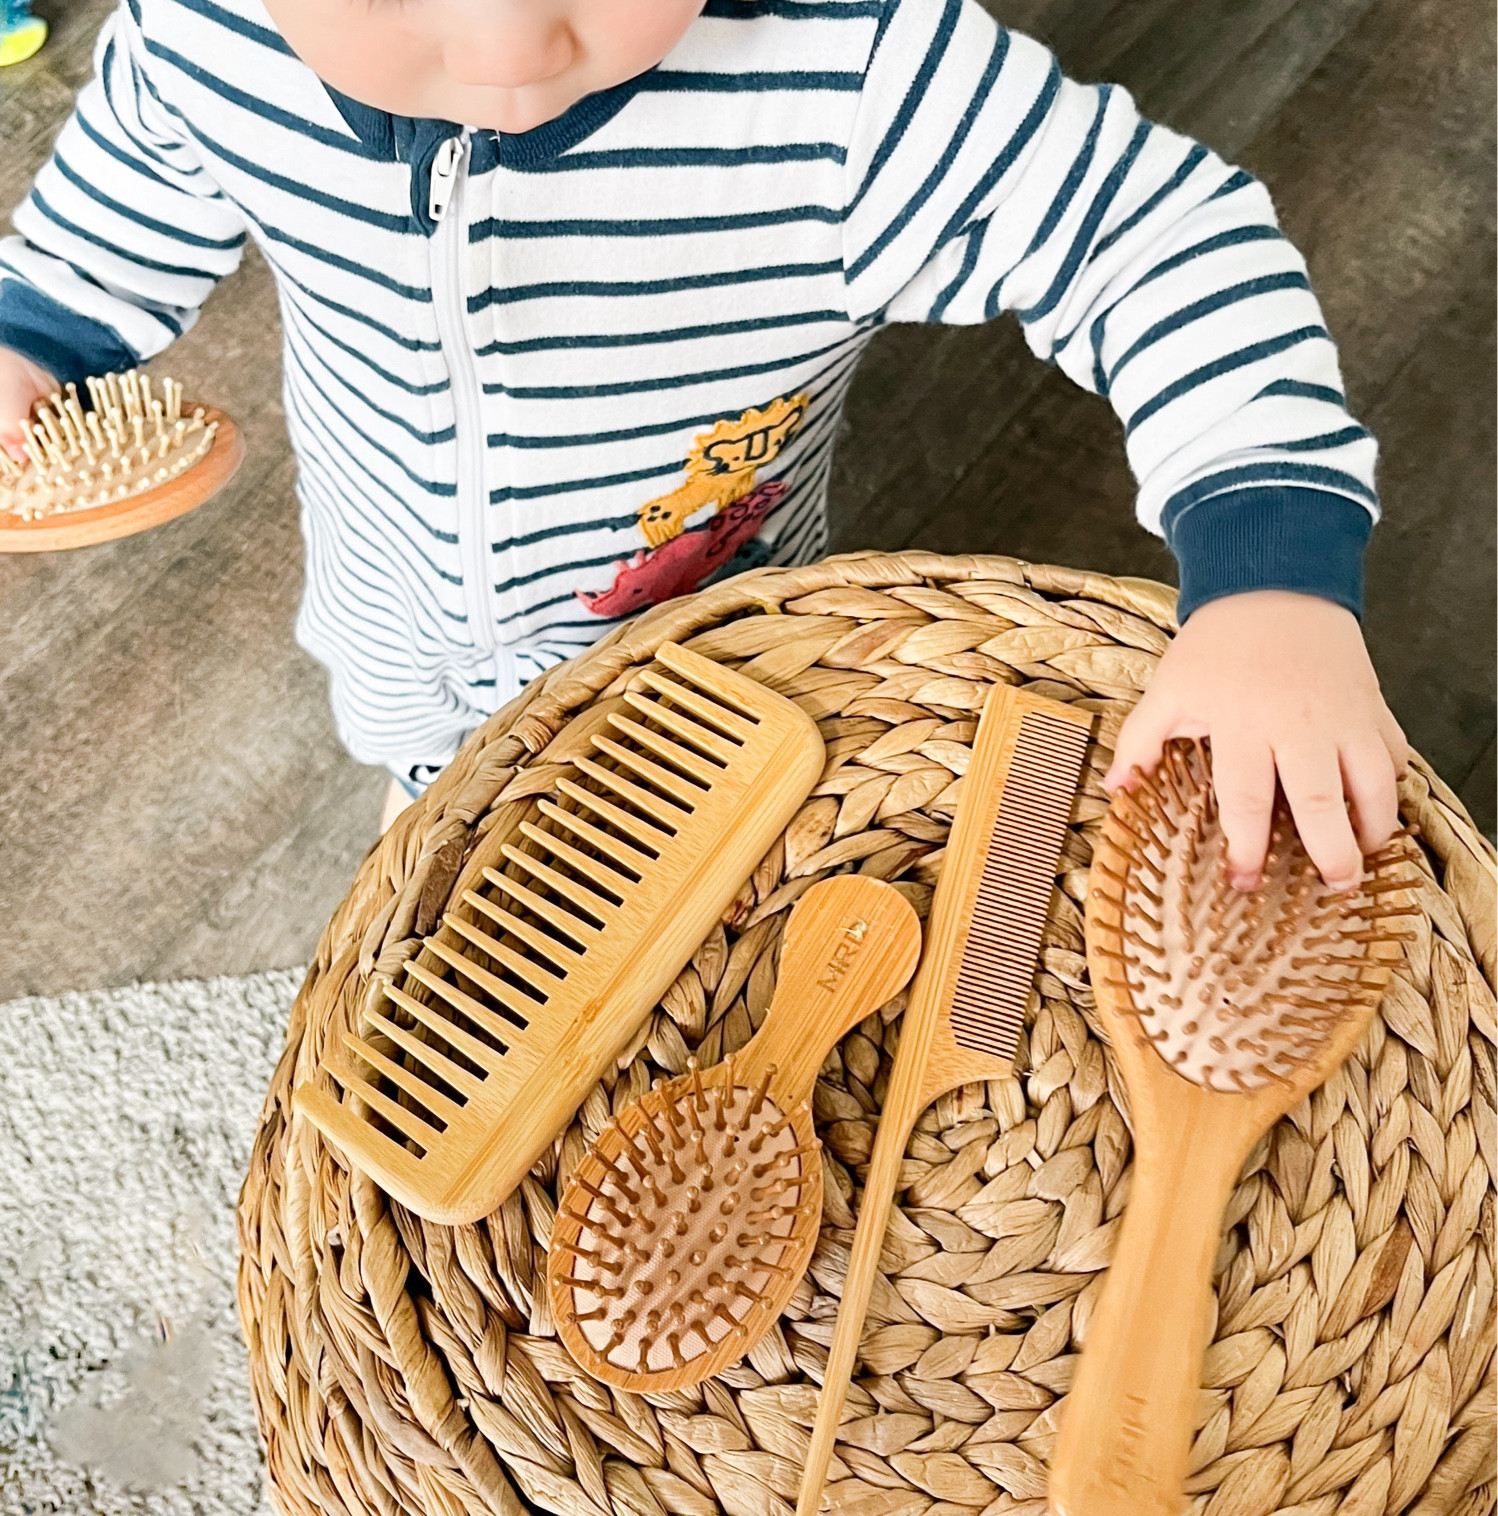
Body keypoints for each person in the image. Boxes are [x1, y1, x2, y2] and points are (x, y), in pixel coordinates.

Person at [0, 0, 1406, 878]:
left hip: (724, 656)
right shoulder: (207, 34)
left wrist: (1270, 579)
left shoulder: (851, 79)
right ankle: (438, 784)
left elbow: (1151, 241)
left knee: (712, 879)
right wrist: (31, 342)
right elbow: (116, 207)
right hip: (391, 612)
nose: (507, 48)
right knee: (423, 782)